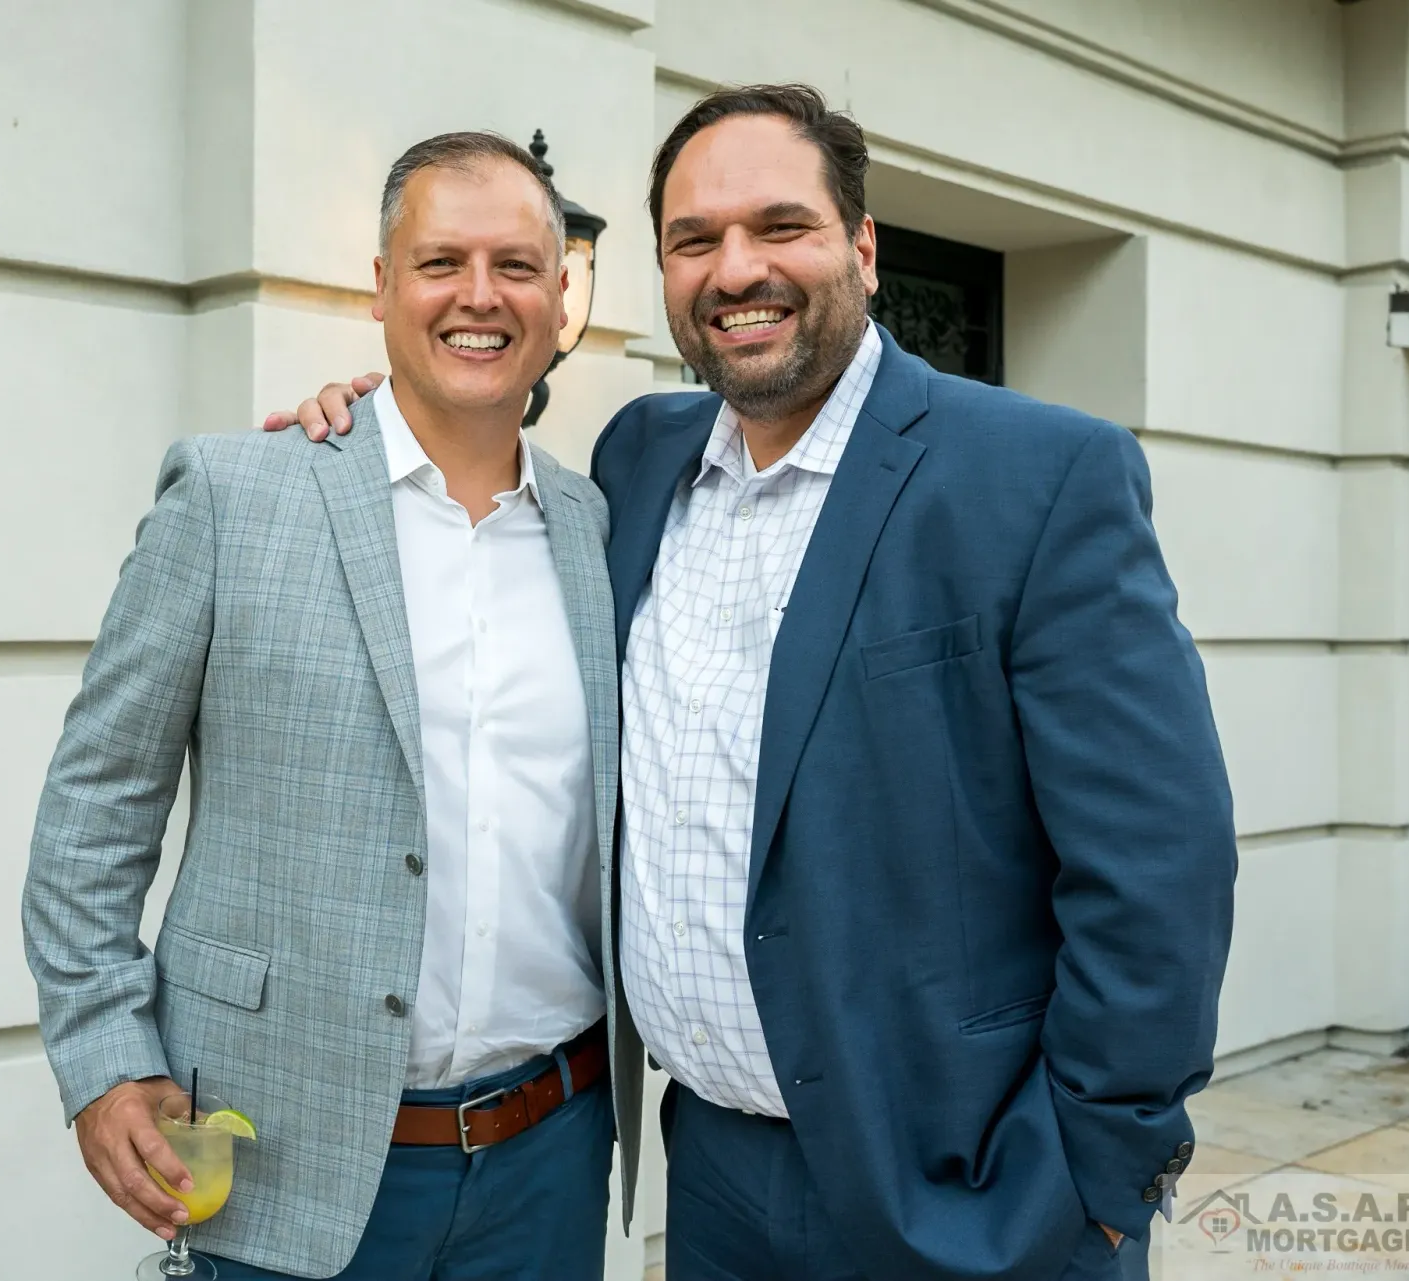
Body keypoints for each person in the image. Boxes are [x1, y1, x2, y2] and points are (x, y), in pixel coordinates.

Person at [265, 84, 1237, 1281]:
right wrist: (363, 415)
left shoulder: (1038, 477)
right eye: (694, 240)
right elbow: (473, 450)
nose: (737, 270)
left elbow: (1158, 866)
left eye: (781, 227)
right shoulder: (640, 460)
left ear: (862, 251)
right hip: (713, 1183)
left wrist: (1097, 1169)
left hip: (971, 1193)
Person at [22, 131, 645, 1281]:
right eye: (439, 262)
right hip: (288, 1163)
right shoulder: (236, 495)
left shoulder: (599, 528)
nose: (479, 296)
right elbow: (94, 805)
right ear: (379, 286)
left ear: (563, 296)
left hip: (551, 1158)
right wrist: (104, 1056)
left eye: (516, 265)